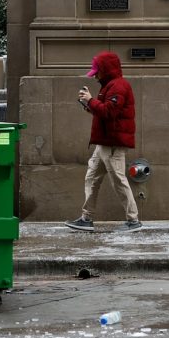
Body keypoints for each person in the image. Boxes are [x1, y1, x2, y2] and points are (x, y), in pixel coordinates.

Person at [65, 51, 142, 233]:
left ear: (106, 70)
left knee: (118, 181)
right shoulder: (110, 86)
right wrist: (89, 104)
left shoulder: (118, 86)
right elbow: (104, 113)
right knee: (92, 177)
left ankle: (133, 221)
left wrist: (91, 100)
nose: (95, 76)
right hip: (105, 143)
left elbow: (109, 112)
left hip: (113, 143)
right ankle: (86, 218)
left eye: (97, 72)